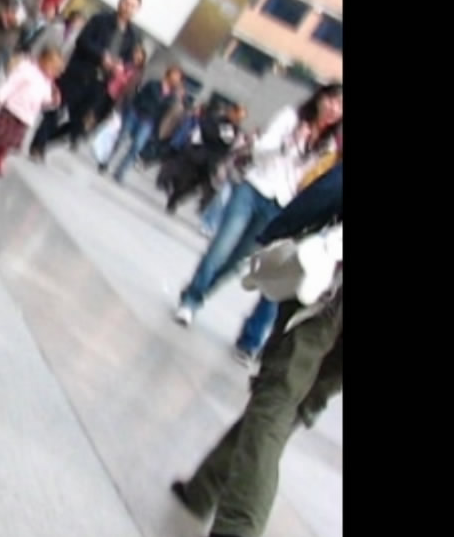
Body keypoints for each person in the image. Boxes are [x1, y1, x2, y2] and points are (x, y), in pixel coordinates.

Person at [171, 234, 342, 537]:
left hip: (330, 291)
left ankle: (237, 527)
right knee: (296, 403)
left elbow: (329, 190)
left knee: (277, 397)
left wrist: (282, 229)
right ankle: (203, 488)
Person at [173, 83, 342, 326]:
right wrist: (288, 144)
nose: (334, 109)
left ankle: (199, 294)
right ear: (320, 98)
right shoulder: (291, 117)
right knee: (220, 249)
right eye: (332, 101)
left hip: (279, 205)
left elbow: (313, 181)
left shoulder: (328, 146)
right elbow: (259, 151)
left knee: (237, 263)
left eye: (340, 107)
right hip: (254, 189)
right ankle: (190, 301)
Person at [234, 143, 342, 367]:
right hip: (316, 247)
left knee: (293, 345)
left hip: (323, 262)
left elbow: (323, 194)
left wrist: (278, 231)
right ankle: (254, 343)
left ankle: (261, 355)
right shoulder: (324, 144)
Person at [28, 0, 143, 160]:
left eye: (133, 6)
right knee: (56, 109)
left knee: (79, 124)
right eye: (126, 3)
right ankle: (38, 146)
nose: (128, 8)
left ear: (137, 10)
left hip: (100, 83)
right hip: (78, 72)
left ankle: (46, 140)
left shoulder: (133, 36)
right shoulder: (100, 20)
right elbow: (82, 41)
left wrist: (118, 66)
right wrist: (101, 56)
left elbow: (126, 60)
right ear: (120, 2)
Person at [0, 47, 64, 175]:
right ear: (44, 61)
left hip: (25, 116)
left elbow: (43, 102)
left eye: (57, 71)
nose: (54, 73)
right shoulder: (28, 70)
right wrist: (0, 97)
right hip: (11, 109)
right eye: (53, 68)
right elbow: (12, 83)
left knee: (9, 141)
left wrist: (52, 102)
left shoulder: (47, 83)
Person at [104, 63, 186, 181]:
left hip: (148, 122)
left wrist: (155, 130)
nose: (177, 79)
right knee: (121, 139)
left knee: (136, 147)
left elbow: (165, 114)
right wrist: (132, 109)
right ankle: (107, 160)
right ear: (169, 74)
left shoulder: (172, 97)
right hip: (136, 114)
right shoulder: (153, 84)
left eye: (179, 78)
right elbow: (138, 96)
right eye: (176, 75)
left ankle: (120, 172)